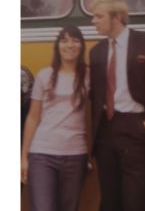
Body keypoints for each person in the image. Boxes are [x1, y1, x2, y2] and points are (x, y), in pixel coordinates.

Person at [89, 0, 145, 211]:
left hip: (137, 128)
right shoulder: (96, 52)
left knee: (135, 202)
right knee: (110, 201)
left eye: (99, 16)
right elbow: (95, 92)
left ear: (117, 17)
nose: (93, 21)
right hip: (106, 131)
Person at [21, 26, 89, 211]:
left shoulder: (89, 76)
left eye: (75, 40)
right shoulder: (45, 75)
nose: (70, 45)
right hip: (42, 154)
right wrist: (24, 157)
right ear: (57, 46)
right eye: (64, 40)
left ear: (82, 46)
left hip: (76, 155)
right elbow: (33, 118)